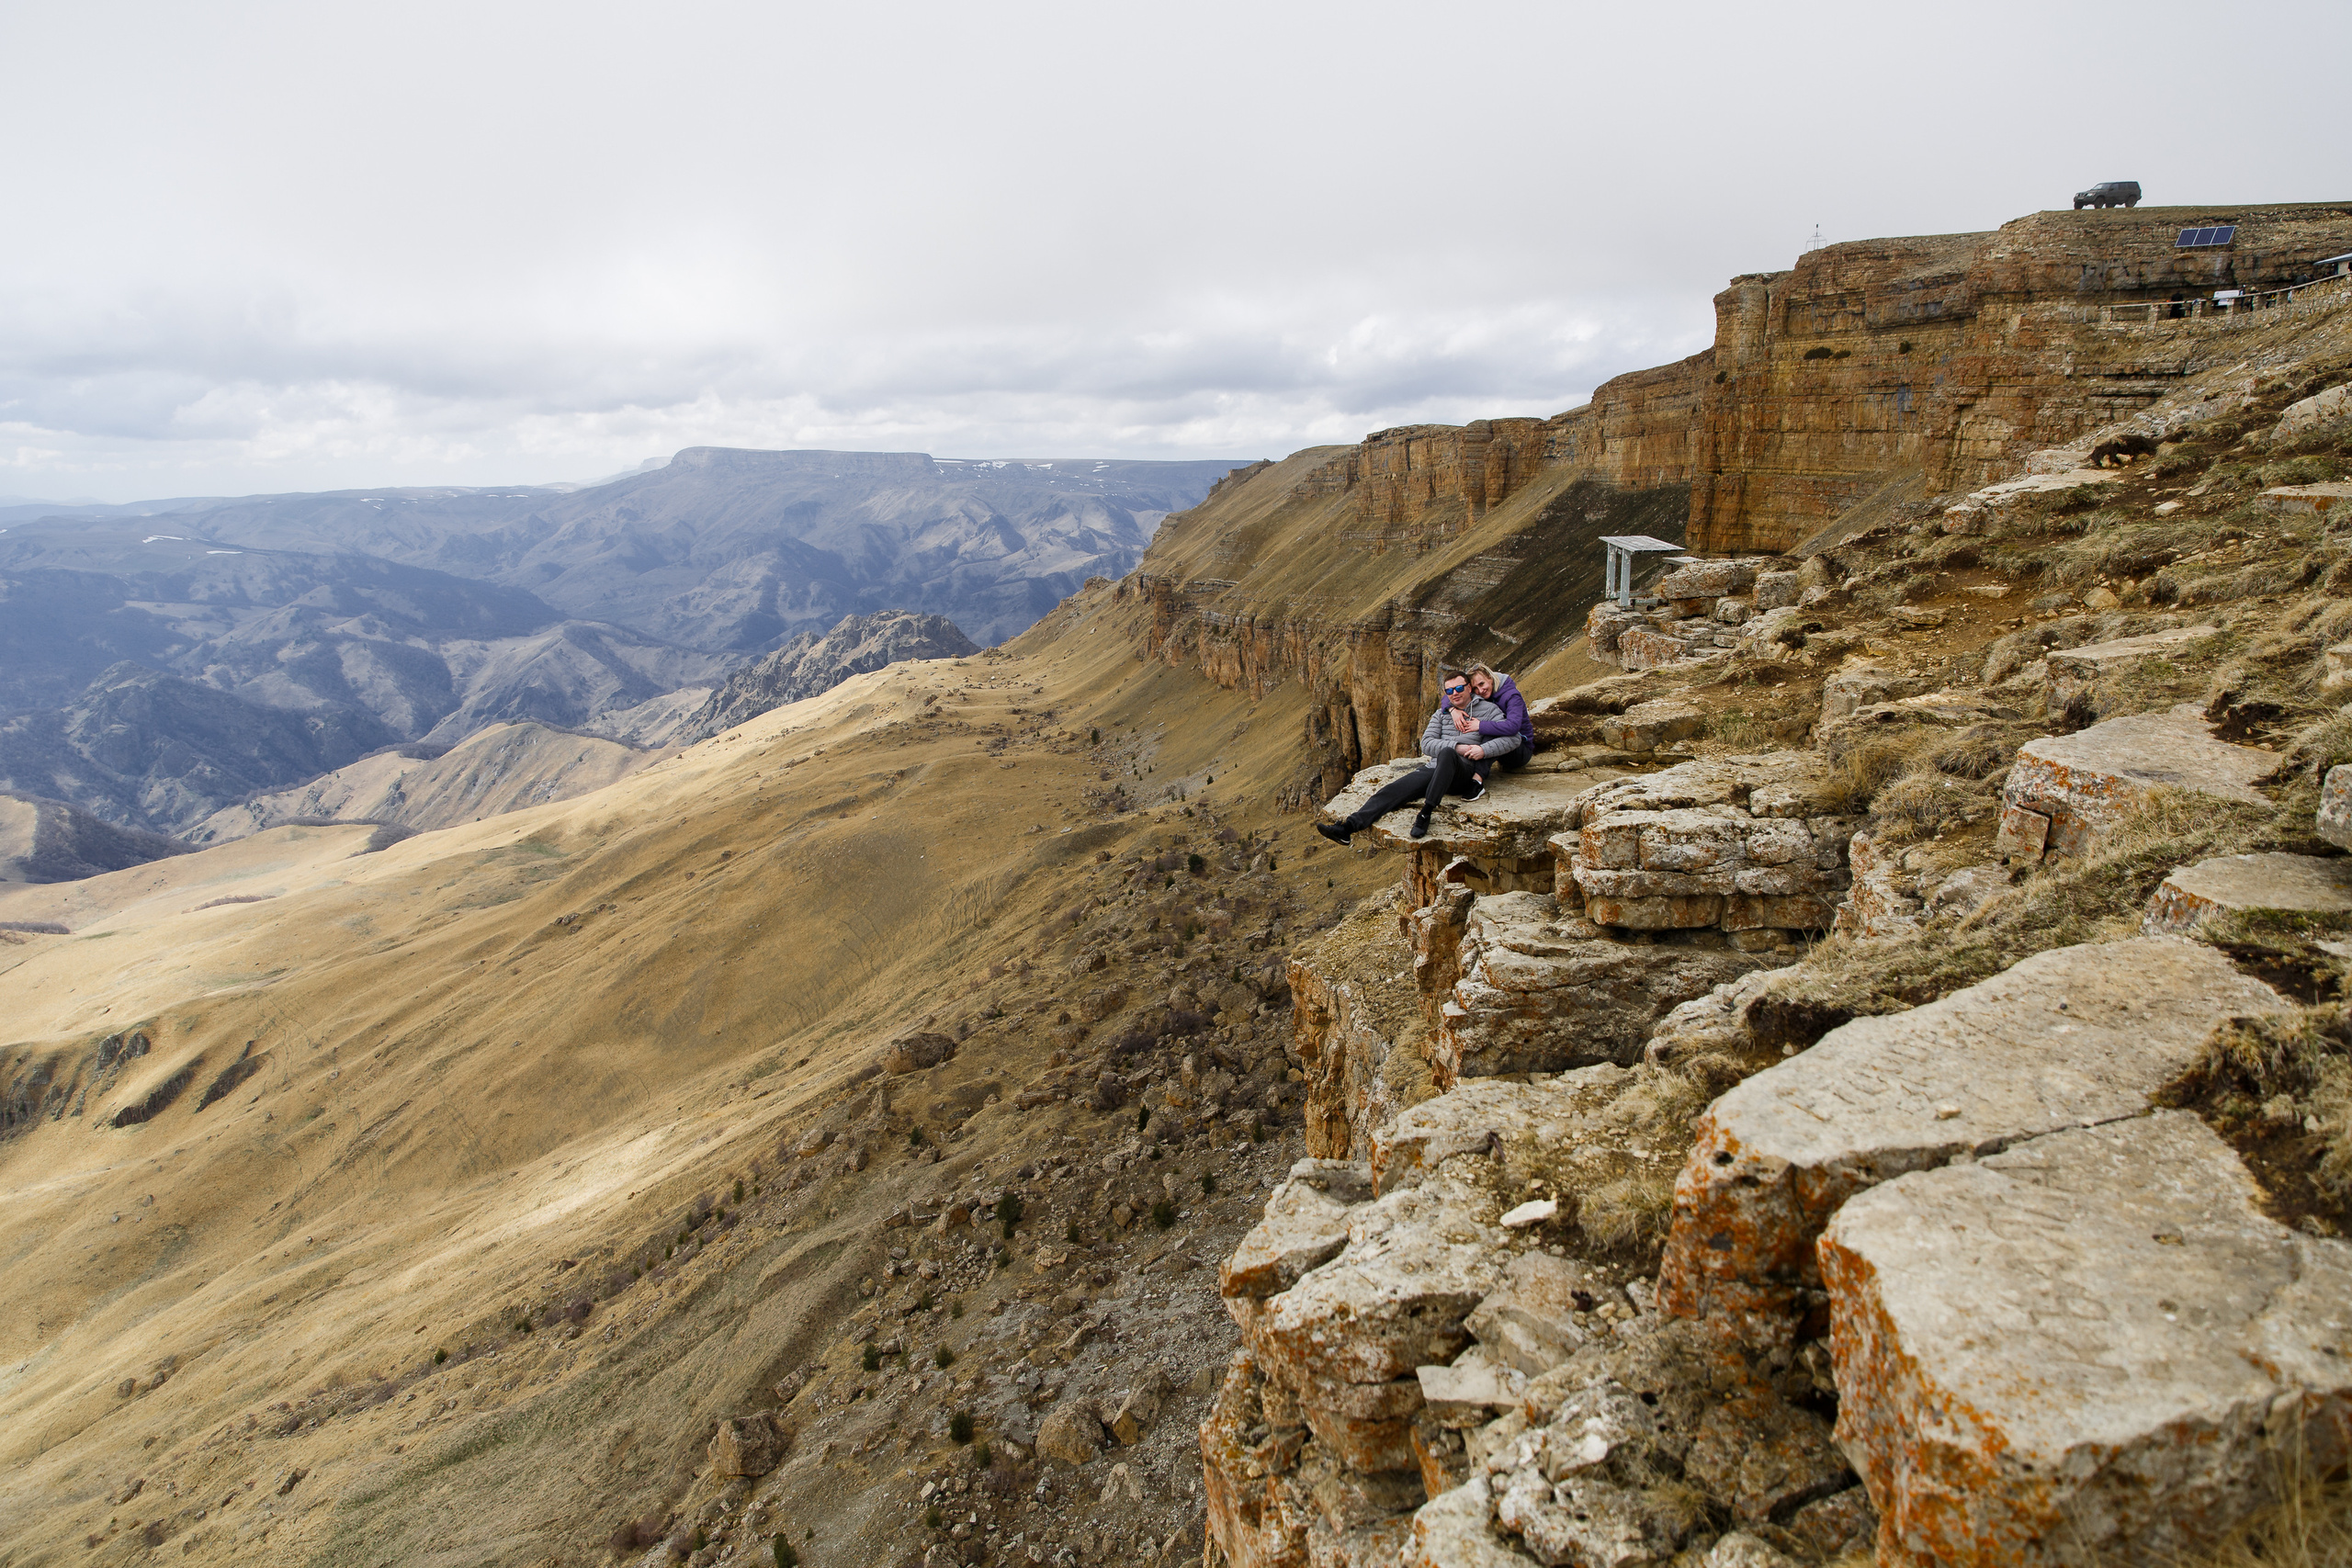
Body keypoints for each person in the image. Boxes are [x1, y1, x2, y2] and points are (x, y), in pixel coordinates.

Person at [1315, 669, 1519, 845]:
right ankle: (1348, 828)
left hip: (1463, 773)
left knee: (1447, 753)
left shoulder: (1489, 711)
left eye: (1458, 688)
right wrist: (1457, 746)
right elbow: (1426, 744)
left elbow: (1513, 738)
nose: (1454, 694)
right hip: (1435, 768)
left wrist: (1482, 750)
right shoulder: (1442, 714)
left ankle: (1426, 812)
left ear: (1469, 688)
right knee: (1393, 790)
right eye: (1449, 691)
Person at [1461, 662, 1536, 771]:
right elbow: (1452, 694)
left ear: (1490, 678)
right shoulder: (1483, 694)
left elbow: (1513, 726)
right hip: (1498, 748)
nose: (1480, 691)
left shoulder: (1512, 696)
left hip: (1519, 750)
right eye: (1475, 688)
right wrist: (1452, 710)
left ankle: (1478, 775)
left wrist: (1480, 726)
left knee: (1489, 733)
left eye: (1482, 684)